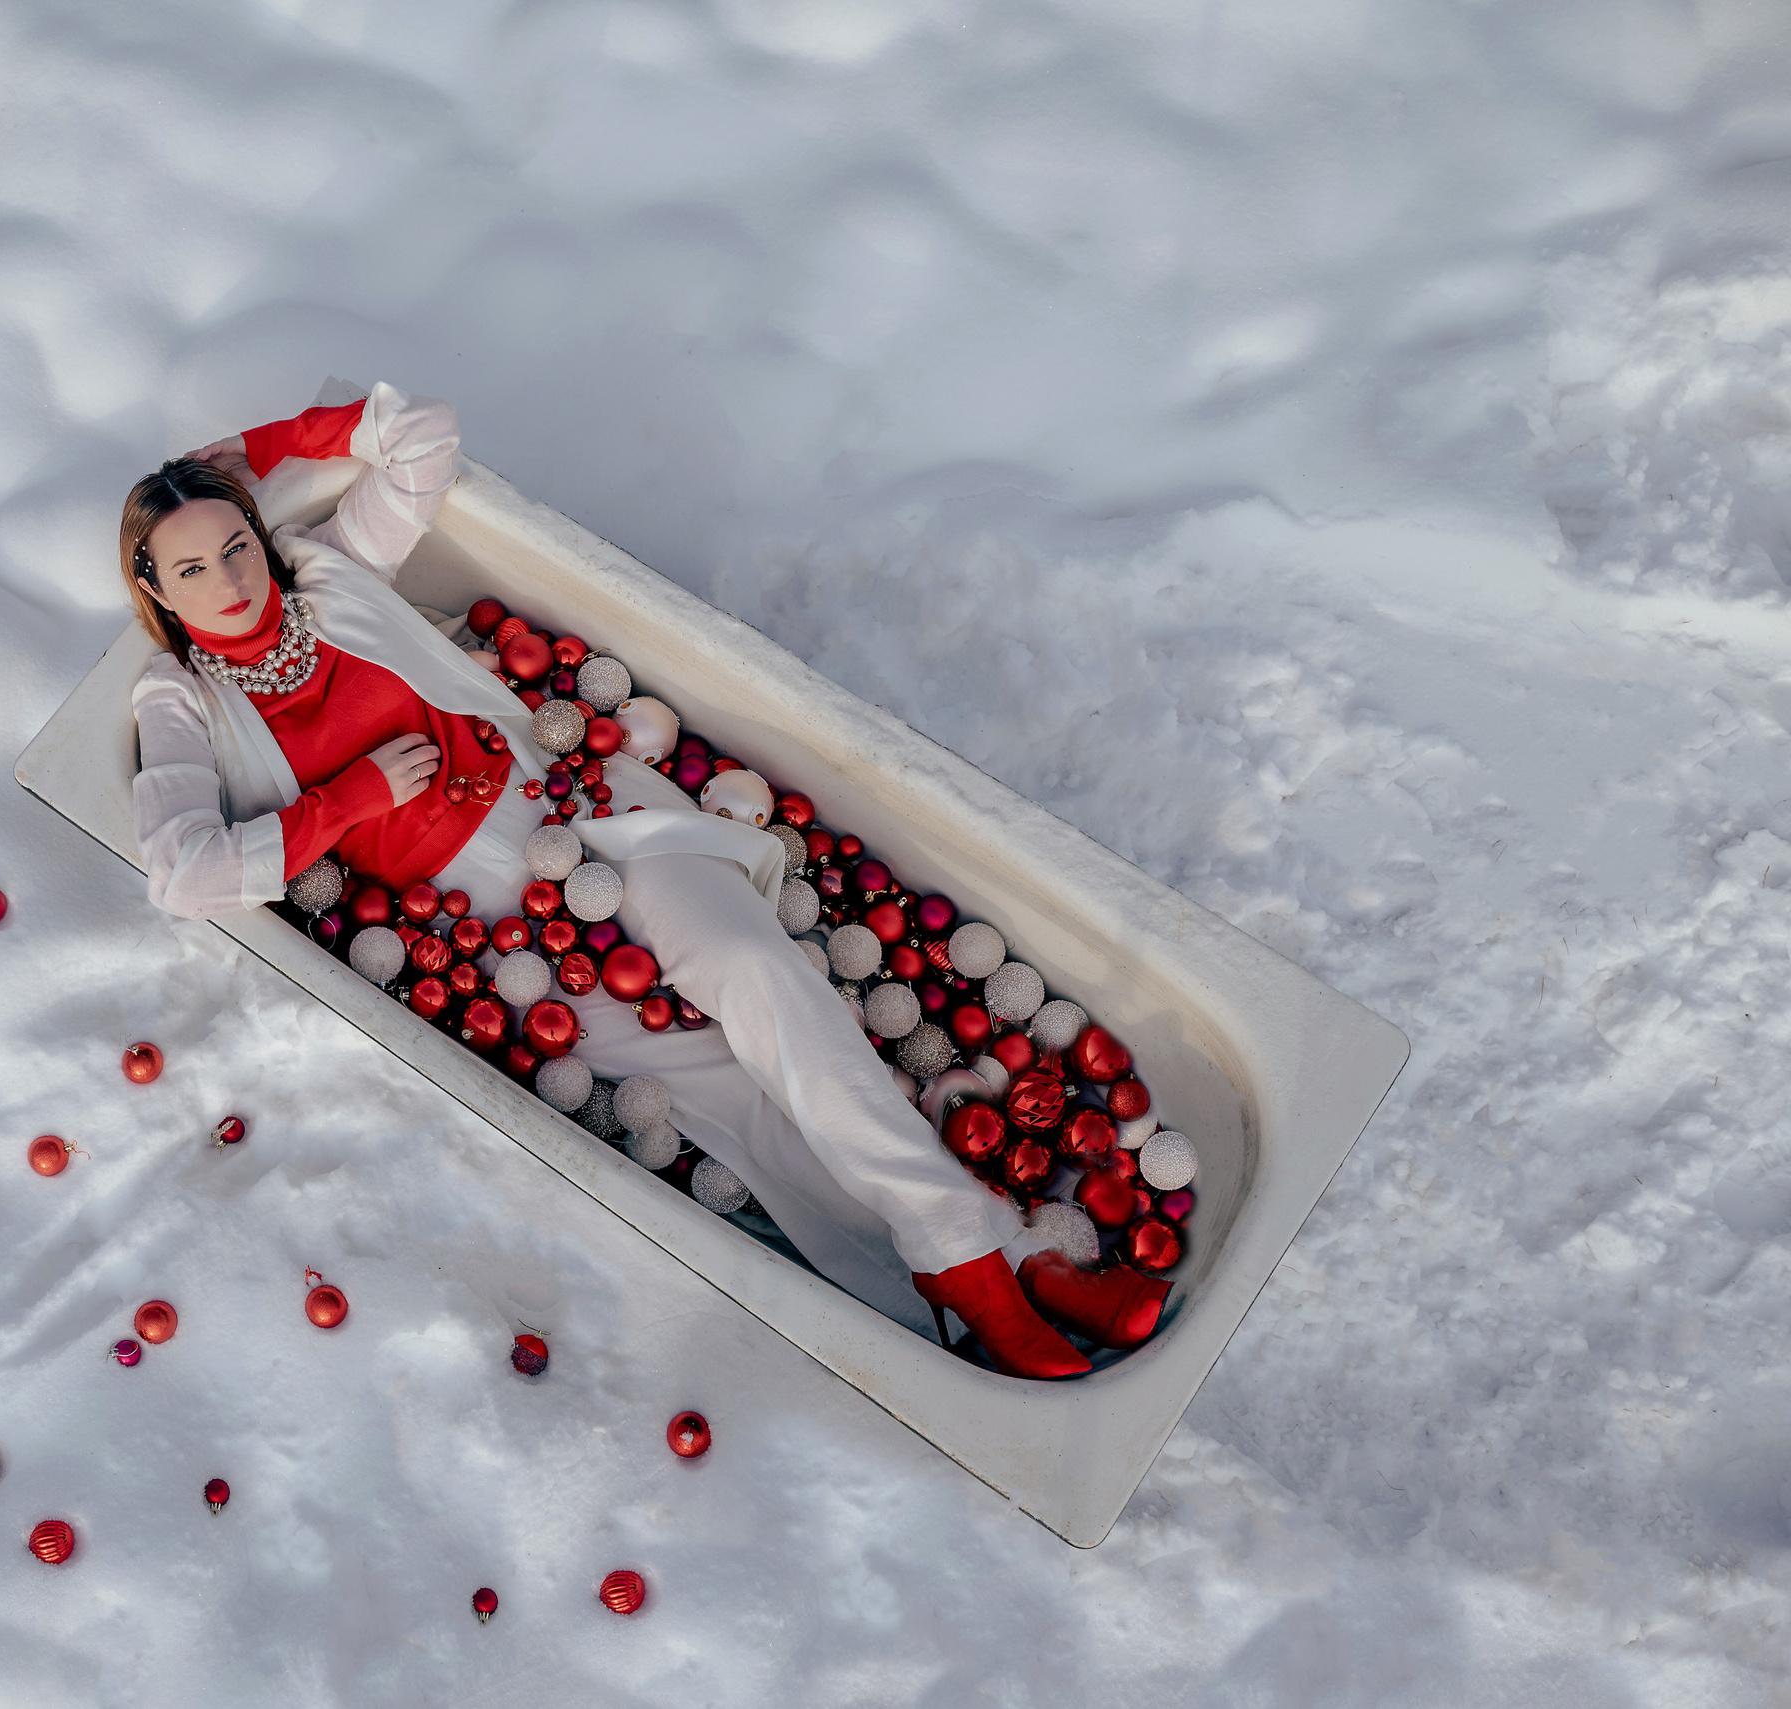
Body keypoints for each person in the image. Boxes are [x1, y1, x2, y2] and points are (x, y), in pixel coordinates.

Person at [125, 383, 1164, 1378]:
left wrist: (263, 447)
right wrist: (344, 803)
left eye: (235, 543)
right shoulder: (180, 697)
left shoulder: (333, 570)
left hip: (582, 811)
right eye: (192, 569)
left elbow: (421, 437)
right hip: (504, 935)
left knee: (758, 969)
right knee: (730, 1098)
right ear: (156, 593)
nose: (229, 578)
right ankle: (981, 1261)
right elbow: (181, 872)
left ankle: (979, 1259)